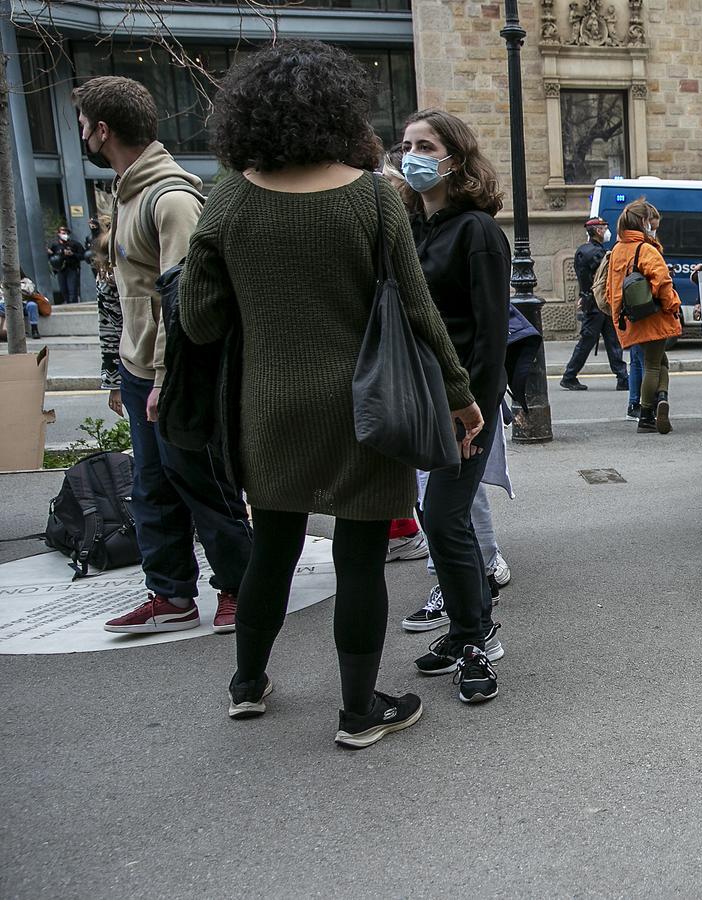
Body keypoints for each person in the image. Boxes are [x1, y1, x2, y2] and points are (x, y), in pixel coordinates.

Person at [180, 42, 484, 747]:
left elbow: (199, 318)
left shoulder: (227, 195)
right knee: (358, 557)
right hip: (364, 407)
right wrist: (459, 393)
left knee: (274, 546)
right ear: (340, 110)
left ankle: (247, 686)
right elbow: (417, 310)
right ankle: (357, 711)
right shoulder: (374, 196)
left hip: (270, 408)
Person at [73, 75, 256, 637]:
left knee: (200, 478)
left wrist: (165, 377)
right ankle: (171, 594)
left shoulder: (171, 198)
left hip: (172, 374)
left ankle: (240, 589)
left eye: (83, 123)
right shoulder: (127, 193)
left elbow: (189, 303)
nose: (81, 132)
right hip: (140, 370)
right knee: (152, 483)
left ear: (103, 130)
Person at [392, 108, 512, 705]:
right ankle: (467, 627)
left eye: (426, 144)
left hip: (464, 407)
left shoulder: (478, 233)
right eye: (407, 143)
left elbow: (491, 339)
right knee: (439, 518)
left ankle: (476, 637)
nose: (411, 154)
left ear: (455, 158)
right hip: (422, 400)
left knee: (444, 517)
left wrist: (475, 414)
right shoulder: (417, 228)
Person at [604, 198, 682, 433]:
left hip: (634, 315)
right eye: (649, 221)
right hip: (654, 314)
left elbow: (611, 288)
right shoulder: (646, 249)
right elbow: (662, 281)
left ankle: (661, 397)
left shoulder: (617, 249)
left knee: (659, 361)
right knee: (652, 365)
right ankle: (647, 413)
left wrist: (618, 315)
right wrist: (673, 306)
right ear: (643, 222)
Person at [562, 217, 629, 392]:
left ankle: (622, 377)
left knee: (611, 338)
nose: (607, 231)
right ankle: (569, 376)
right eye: (605, 228)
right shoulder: (596, 253)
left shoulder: (585, 250)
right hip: (596, 304)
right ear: (598, 231)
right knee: (589, 340)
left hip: (594, 302)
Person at [91, 214, 123, 389]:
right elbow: (108, 331)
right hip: (133, 366)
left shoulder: (105, 280)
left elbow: (108, 334)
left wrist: (113, 383)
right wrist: (113, 383)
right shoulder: (105, 281)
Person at [47, 226, 86, 305]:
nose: (65, 235)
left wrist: (72, 254)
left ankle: (74, 304)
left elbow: (83, 256)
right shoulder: (55, 245)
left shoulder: (75, 244)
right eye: (63, 233)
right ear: (59, 234)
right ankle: (68, 303)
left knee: (72, 289)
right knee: (63, 289)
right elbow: (52, 258)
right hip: (61, 270)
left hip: (72, 268)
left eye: (66, 233)